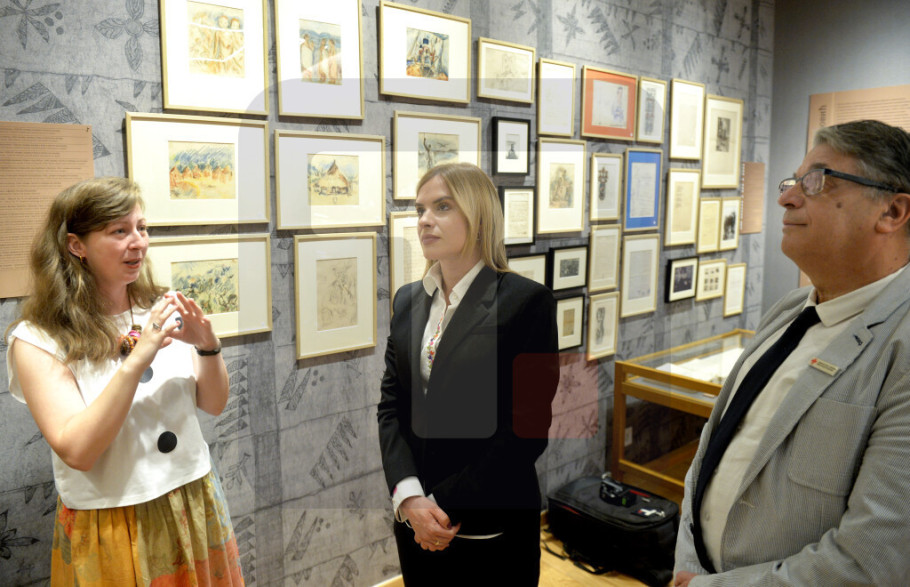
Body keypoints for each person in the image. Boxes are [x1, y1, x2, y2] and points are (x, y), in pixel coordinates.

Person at [674, 120, 910, 586]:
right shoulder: (790, 311)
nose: (786, 198)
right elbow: (712, 452)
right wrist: (690, 563)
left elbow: (871, 562)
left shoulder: (900, 351)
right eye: (793, 181)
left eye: (817, 181)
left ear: (892, 211)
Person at [5, 177, 244, 585]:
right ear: (76, 245)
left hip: (192, 497)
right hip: (113, 519)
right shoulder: (38, 338)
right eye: (119, 231)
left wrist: (208, 346)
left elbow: (215, 403)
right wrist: (137, 360)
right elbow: (78, 451)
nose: (138, 243)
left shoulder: (160, 305)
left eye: (142, 228)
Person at [377, 163, 559, 585]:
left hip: (487, 528)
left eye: (442, 206)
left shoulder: (526, 303)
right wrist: (409, 496)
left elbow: (526, 433)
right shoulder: (407, 300)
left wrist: (440, 504)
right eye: (420, 209)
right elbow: (391, 407)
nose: (425, 220)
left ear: (478, 215)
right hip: (415, 524)